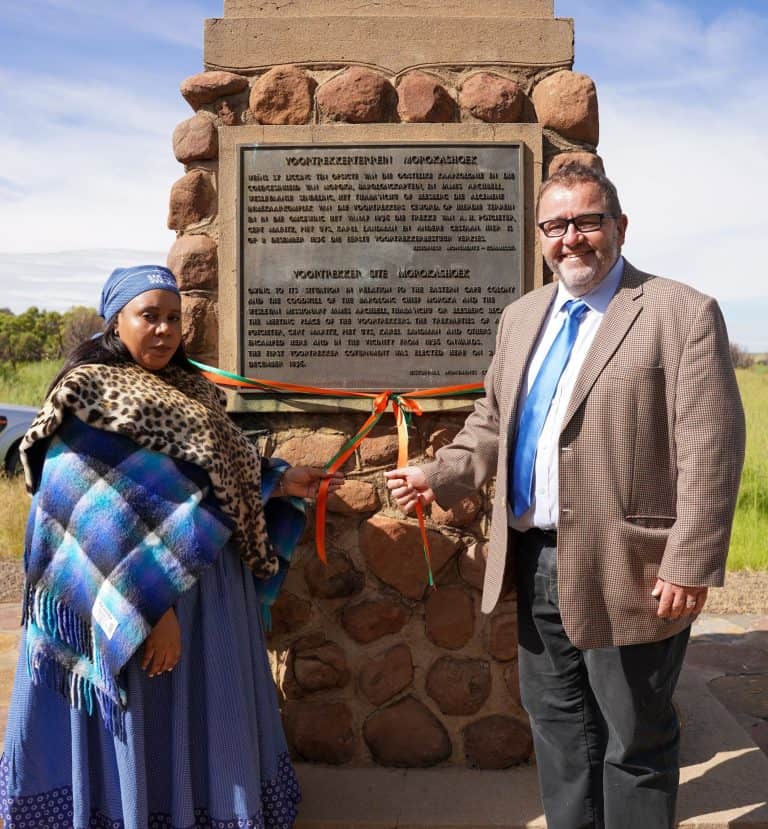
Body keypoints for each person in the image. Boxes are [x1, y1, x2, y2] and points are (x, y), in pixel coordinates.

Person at [386, 164, 745, 829]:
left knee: (635, 739)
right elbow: (493, 422)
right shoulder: (523, 316)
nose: (571, 238)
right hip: (535, 556)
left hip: (632, 566)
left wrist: (689, 561)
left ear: (619, 226)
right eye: (556, 225)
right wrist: (439, 473)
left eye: (587, 220)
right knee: (559, 731)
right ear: (541, 236)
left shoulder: (680, 313)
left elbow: (711, 450)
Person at [0, 265, 342, 829]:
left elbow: (212, 478)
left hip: (207, 596)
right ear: (117, 322)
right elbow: (86, 516)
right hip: (140, 602)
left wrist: (277, 480)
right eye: (148, 316)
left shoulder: (191, 389)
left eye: (173, 318)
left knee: (205, 717)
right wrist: (150, 608)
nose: (163, 330)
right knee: (149, 713)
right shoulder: (87, 394)